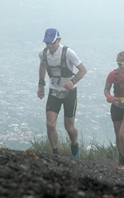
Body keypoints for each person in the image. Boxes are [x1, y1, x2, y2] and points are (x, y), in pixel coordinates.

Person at [37, 28, 87, 157]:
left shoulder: (68, 53)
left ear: (58, 40)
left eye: (52, 43)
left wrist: (73, 81)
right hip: (54, 90)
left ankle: (74, 145)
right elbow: (42, 65)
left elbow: (82, 70)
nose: (49, 46)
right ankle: (55, 152)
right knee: (50, 124)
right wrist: (41, 84)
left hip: (69, 93)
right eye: (47, 43)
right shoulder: (43, 54)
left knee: (69, 127)